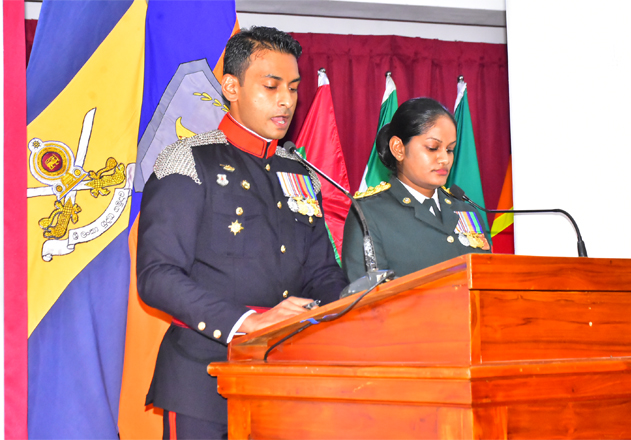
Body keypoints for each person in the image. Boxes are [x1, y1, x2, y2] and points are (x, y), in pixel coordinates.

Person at [136, 26, 347, 439]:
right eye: (271, 86)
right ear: (231, 87)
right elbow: (157, 276)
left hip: (286, 376)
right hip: (203, 377)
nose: (286, 100)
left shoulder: (300, 173)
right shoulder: (188, 160)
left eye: (293, 88)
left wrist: (354, 304)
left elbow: (322, 273)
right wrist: (250, 321)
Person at [342, 97, 491, 282]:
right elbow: (367, 293)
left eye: (450, 150)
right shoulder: (368, 214)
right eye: (432, 148)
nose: (445, 159)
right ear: (398, 148)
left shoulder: (465, 210)